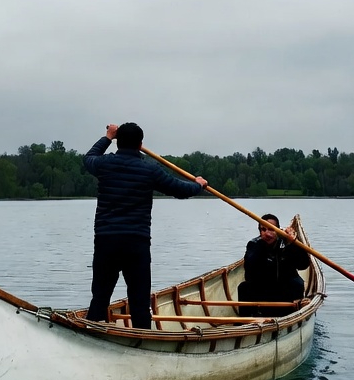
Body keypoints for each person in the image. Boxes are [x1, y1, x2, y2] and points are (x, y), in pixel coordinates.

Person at [84, 122, 207, 329]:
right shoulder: (149, 170)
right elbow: (179, 189)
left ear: (117, 142)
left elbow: (88, 158)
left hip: (107, 240)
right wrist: (199, 185)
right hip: (136, 242)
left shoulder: (104, 164)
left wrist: (107, 136)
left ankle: (91, 331)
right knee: (139, 300)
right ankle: (143, 337)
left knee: (100, 296)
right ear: (141, 144)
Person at [237, 213, 310, 317]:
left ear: (278, 230)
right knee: (243, 287)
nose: (267, 234)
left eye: (271, 229)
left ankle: (293, 313)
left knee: (297, 283)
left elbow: (303, 265)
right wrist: (261, 249)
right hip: (264, 289)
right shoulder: (254, 244)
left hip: (285, 289)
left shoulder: (287, 243)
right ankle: (244, 323)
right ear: (260, 231)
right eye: (263, 229)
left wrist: (293, 243)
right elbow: (249, 271)